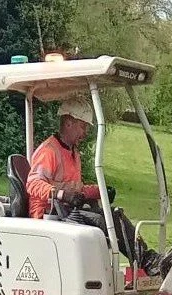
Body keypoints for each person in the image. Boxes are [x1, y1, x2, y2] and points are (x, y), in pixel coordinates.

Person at [26, 97, 160, 273]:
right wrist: (61, 195)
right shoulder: (49, 151)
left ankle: (145, 261)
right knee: (103, 220)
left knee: (114, 215)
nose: (86, 131)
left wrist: (100, 191)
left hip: (66, 210)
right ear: (68, 123)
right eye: (83, 126)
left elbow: (76, 190)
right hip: (47, 214)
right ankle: (146, 262)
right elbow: (33, 183)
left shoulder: (72, 153)